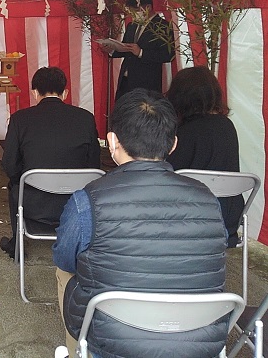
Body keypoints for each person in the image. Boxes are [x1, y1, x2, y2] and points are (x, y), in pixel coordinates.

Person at [53, 89, 227, 358]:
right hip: (199, 340)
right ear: (173, 145)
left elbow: (65, 258)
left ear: (112, 141)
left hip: (112, 341)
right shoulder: (208, 198)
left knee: (65, 271)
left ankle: (78, 351)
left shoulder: (87, 201)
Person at [0, 66, 100, 258]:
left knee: (14, 185)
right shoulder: (85, 118)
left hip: (33, 204)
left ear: (34, 92)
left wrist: (26, 179)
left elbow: (9, 164)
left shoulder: (20, 119)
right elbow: (94, 165)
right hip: (76, 203)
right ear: (65, 93)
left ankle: (17, 244)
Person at [166, 65, 242, 247]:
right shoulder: (228, 127)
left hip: (191, 220)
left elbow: (167, 174)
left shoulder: (185, 133)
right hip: (226, 219)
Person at [101, 0, 174, 100]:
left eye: (135, 10)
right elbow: (126, 48)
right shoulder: (132, 25)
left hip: (146, 82)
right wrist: (112, 50)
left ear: (148, 7)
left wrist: (141, 53)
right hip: (125, 80)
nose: (133, 14)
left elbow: (168, 55)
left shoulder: (163, 26)